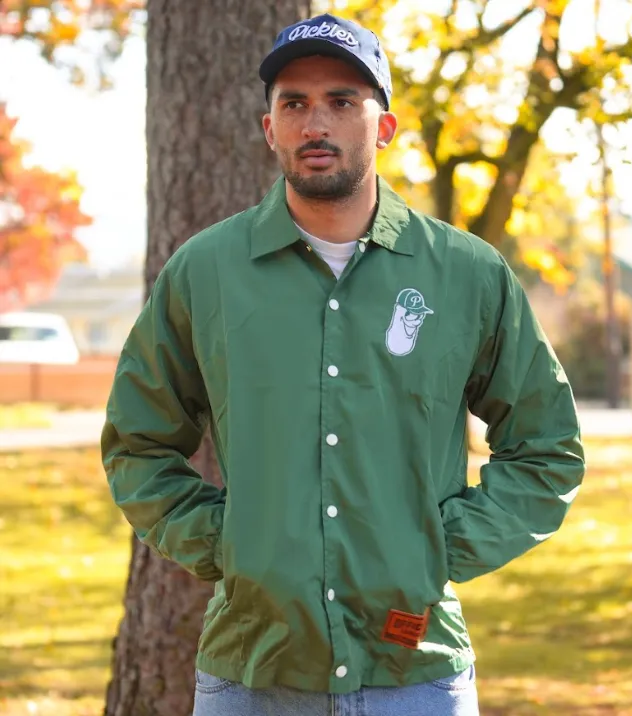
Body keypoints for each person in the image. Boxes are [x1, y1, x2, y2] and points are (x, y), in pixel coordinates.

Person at [101, 12, 586, 716]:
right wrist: (229, 545)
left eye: (341, 101)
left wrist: (438, 550)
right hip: (252, 671)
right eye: (293, 103)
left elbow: (548, 448)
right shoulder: (204, 274)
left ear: (382, 127)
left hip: (414, 670)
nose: (314, 122)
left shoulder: (467, 275)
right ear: (270, 129)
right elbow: (137, 445)